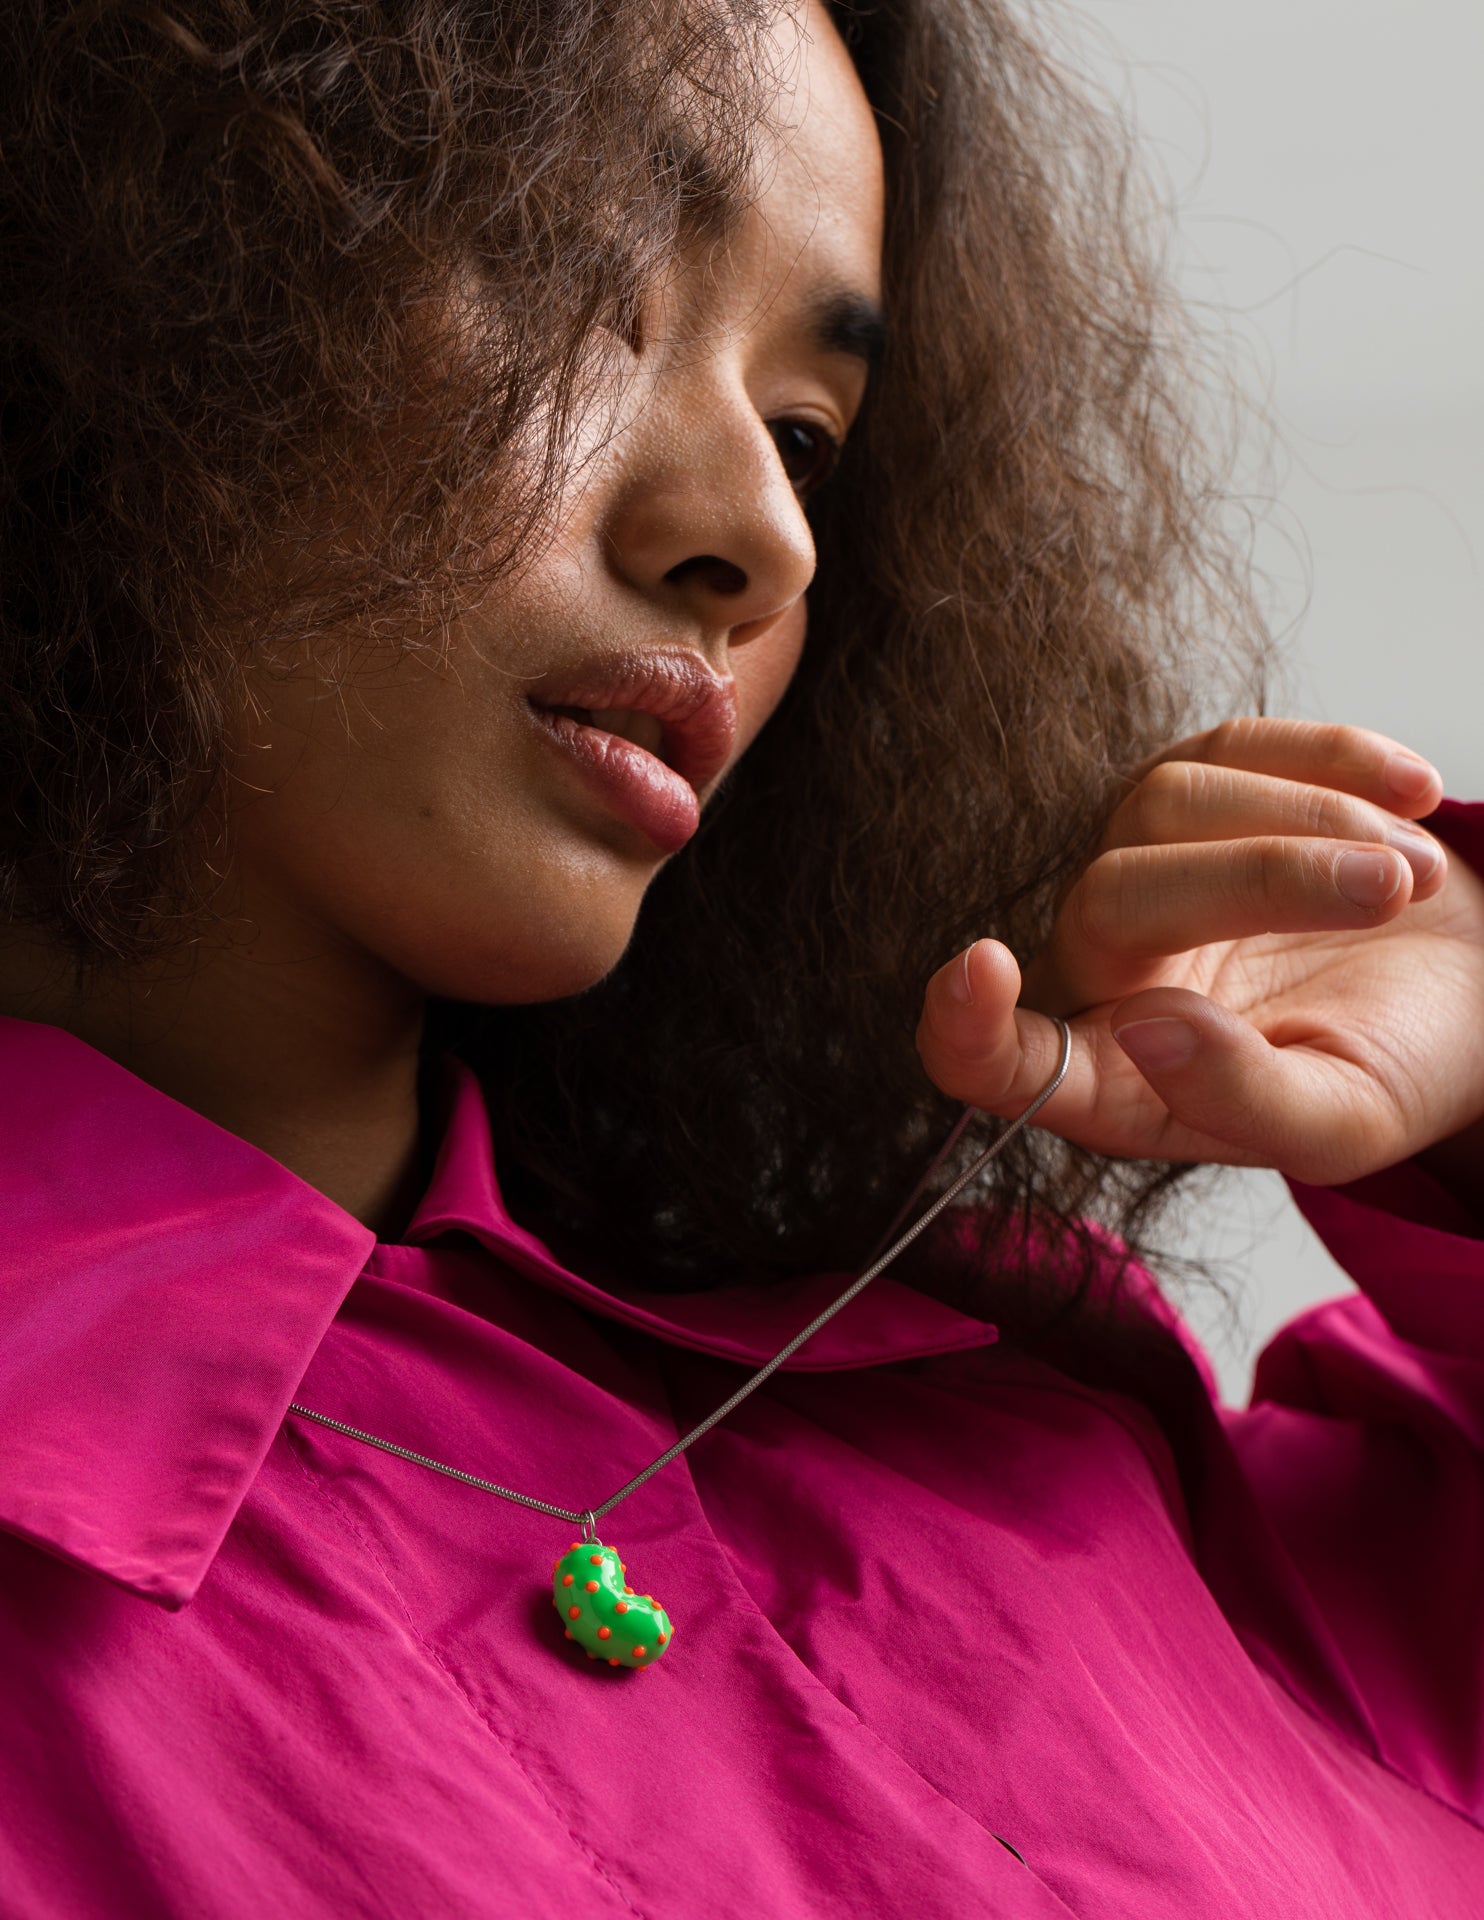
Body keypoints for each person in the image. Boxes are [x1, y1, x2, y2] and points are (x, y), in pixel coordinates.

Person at [2, 0, 1481, 1914]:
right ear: (101, 255)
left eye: (811, 433)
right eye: (563, 279)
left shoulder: (1024, 1404)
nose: (763, 535)